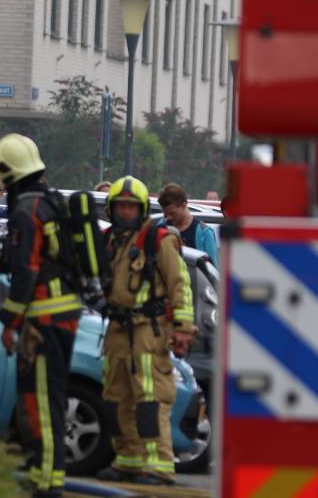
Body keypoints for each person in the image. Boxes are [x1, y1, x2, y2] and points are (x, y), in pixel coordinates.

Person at [0, 133, 80, 498]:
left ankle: (47, 481)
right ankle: (45, 473)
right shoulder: (53, 202)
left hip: (44, 317)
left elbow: (25, 271)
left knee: (40, 400)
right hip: (61, 314)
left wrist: (10, 323)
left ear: (10, 174)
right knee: (48, 398)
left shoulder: (27, 210)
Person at [96, 176, 195, 486]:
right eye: (120, 206)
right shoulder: (110, 241)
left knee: (150, 396)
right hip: (116, 328)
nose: (125, 212)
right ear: (111, 210)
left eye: (131, 206)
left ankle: (159, 464)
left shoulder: (159, 239)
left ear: (140, 210)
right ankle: (128, 458)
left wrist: (182, 328)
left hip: (148, 330)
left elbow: (180, 284)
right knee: (115, 395)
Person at [159, 183, 219, 264]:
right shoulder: (159, 228)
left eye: (172, 213)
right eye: (166, 214)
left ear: (184, 205)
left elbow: (212, 271)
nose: (169, 218)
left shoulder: (205, 234)